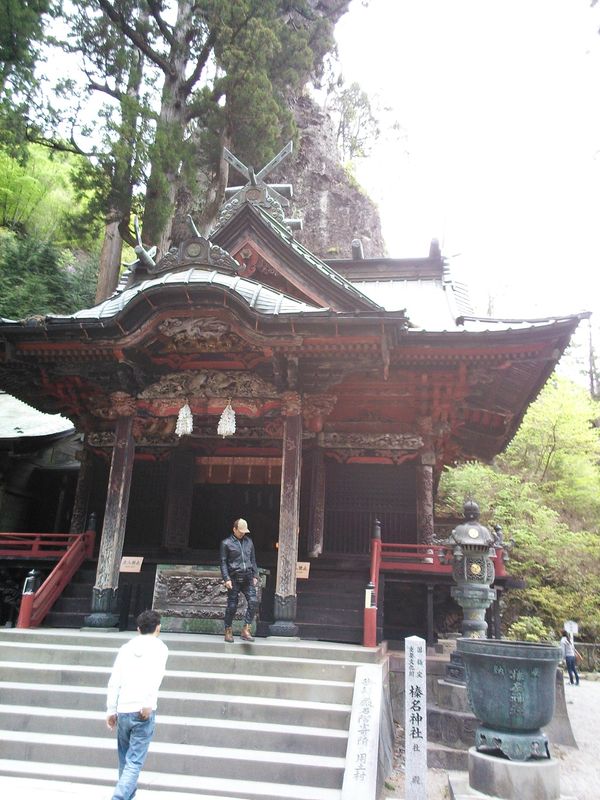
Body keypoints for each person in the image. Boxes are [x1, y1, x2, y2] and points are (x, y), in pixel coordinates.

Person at [106, 609, 169, 799]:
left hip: (124, 708)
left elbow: (114, 680)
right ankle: (119, 797)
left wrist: (111, 709)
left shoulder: (126, 648)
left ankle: (126, 796)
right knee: (134, 762)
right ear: (158, 628)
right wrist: (149, 702)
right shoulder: (160, 648)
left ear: (138, 629)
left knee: (125, 760)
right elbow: (156, 678)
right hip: (143, 709)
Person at [220, 517, 259, 643]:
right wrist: (226, 578)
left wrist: (255, 575)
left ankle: (246, 629)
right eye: (240, 531)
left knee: (253, 602)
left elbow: (253, 560)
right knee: (232, 606)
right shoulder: (226, 543)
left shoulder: (249, 542)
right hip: (234, 577)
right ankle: (228, 630)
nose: (242, 534)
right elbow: (223, 562)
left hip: (248, 576)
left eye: (244, 532)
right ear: (234, 529)